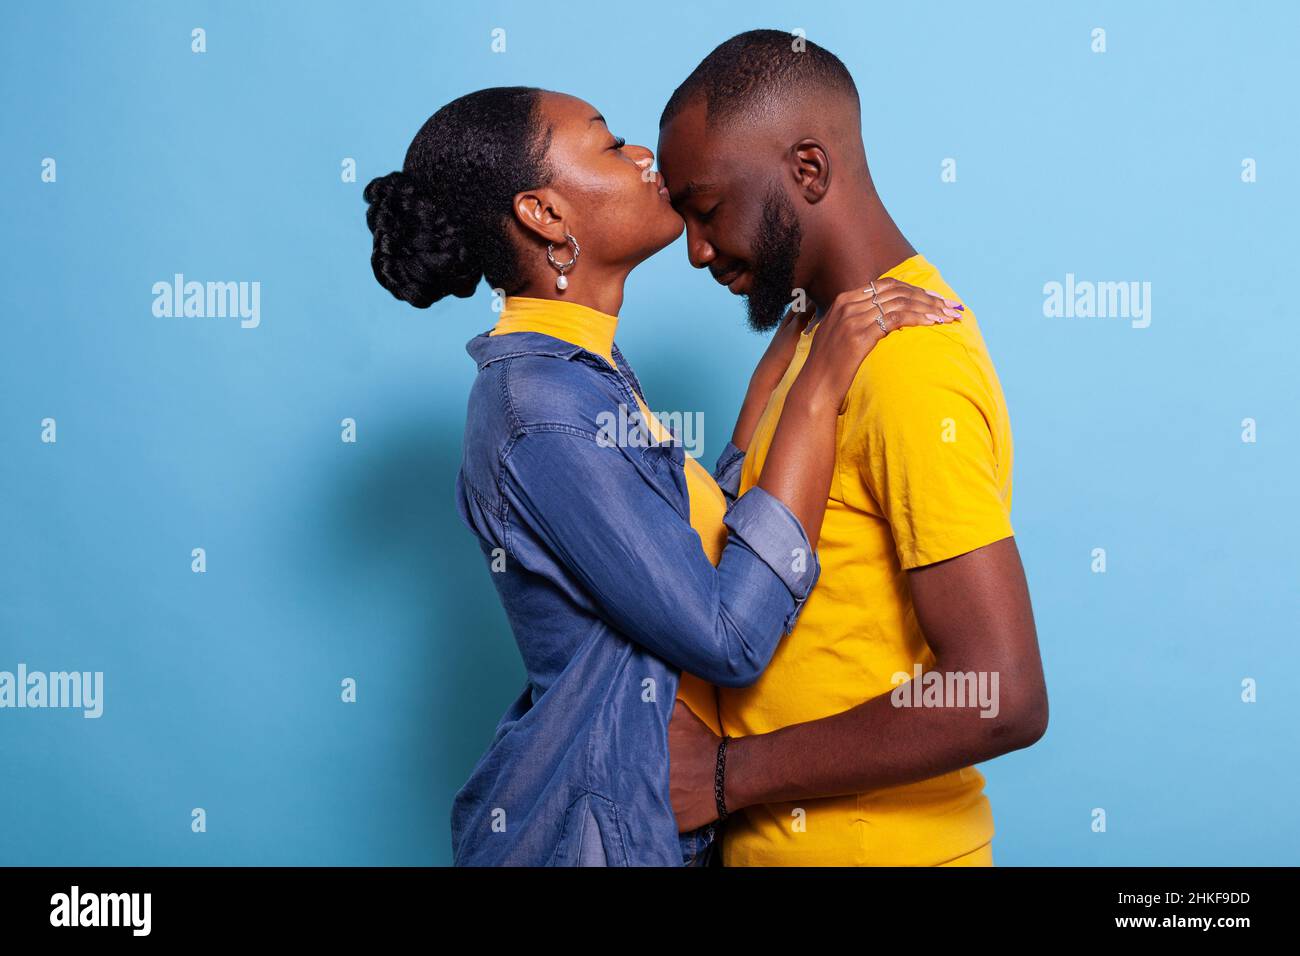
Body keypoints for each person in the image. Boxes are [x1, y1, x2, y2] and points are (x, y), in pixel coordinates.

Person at [362, 85, 961, 865]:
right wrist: (819, 389)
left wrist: (779, 373)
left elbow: (676, 553)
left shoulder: (580, 372)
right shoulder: (544, 411)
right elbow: (726, 633)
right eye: (609, 144)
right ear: (545, 216)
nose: (644, 157)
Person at [656, 30, 1049, 867]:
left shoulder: (907, 364)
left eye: (707, 208)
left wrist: (727, 775)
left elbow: (1005, 693)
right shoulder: (818, 341)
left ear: (808, 170)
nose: (693, 250)